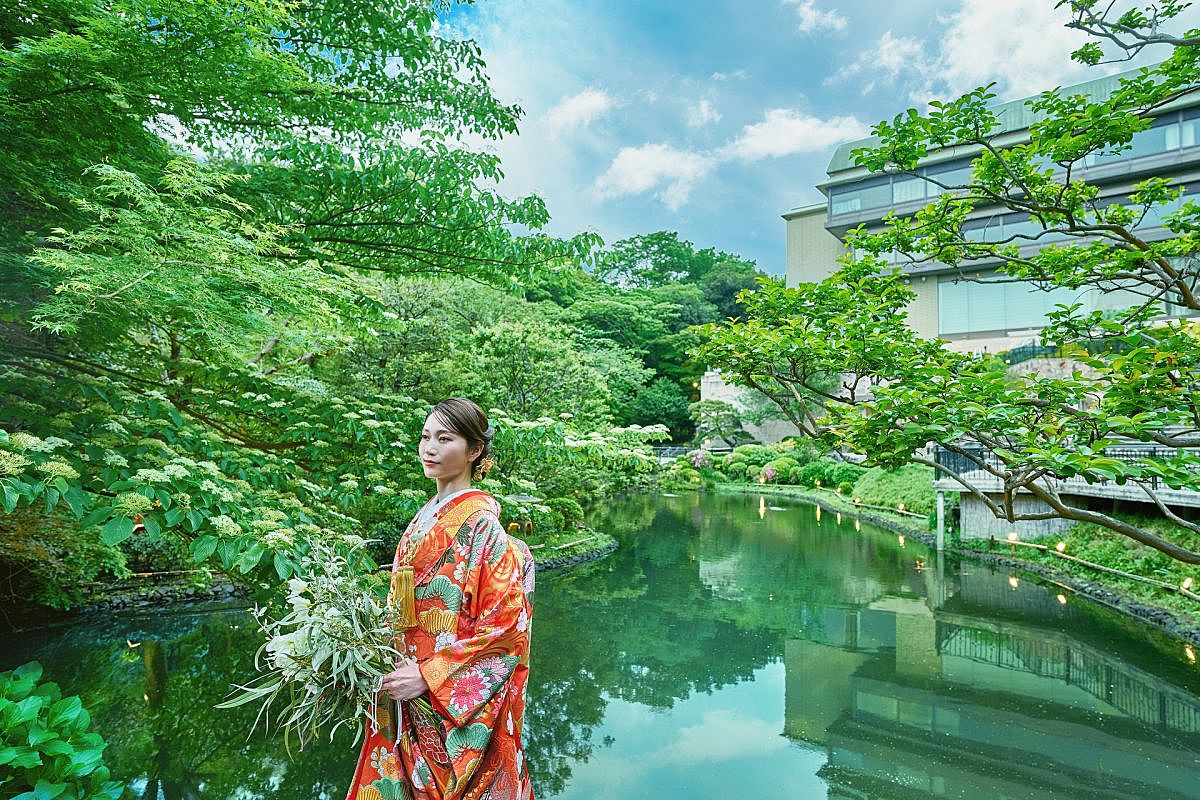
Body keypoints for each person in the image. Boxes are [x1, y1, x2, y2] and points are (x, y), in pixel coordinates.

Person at [345, 398, 536, 800]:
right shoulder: (426, 515)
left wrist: (429, 675)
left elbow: (507, 628)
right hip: (405, 684)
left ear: (474, 450)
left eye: (444, 438)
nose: (429, 448)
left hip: (444, 698)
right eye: (425, 437)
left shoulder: (483, 526)